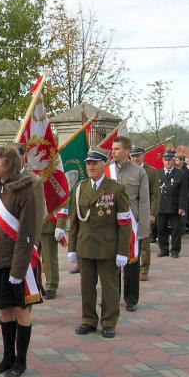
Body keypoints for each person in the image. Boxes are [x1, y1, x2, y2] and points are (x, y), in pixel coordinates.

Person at [0, 145, 42, 377]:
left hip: (17, 263)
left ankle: (21, 361)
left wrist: (18, 270)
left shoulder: (26, 190)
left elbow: (27, 232)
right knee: (5, 311)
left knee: (21, 311)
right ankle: (7, 358)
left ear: (9, 164)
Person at [67, 148, 131, 338]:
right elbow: (75, 221)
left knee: (109, 288)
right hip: (85, 245)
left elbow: (124, 223)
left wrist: (123, 251)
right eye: (88, 163)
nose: (90, 166)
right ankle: (88, 320)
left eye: (95, 163)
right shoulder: (80, 188)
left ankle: (109, 322)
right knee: (86, 288)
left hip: (107, 247)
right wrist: (72, 248)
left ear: (104, 165)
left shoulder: (116, 189)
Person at [107, 137, 149, 312]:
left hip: (131, 224)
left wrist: (143, 228)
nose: (113, 152)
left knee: (131, 262)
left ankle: (131, 298)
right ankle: (112, 297)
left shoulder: (139, 172)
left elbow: (144, 202)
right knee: (111, 263)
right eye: (112, 148)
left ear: (126, 151)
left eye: (116, 149)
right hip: (110, 223)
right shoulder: (107, 171)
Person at [130, 146, 159, 281]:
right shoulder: (126, 170)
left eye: (138, 156)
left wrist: (152, 213)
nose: (135, 158)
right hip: (129, 211)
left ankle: (144, 269)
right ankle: (130, 266)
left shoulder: (151, 172)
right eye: (133, 156)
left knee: (144, 242)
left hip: (144, 211)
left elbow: (155, 194)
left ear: (143, 156)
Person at [156, 151, 188, 258]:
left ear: (173, 161)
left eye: (169, 160)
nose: (167, 162)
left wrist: (182, 207)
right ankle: (163, 249)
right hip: (161, 206)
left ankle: (175, 250)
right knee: (161, 229)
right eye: (165, 160)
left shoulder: (180, 174)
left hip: (174, 206)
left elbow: (183, 192)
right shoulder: (158, 173)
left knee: (175, 230)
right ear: (162, 160)